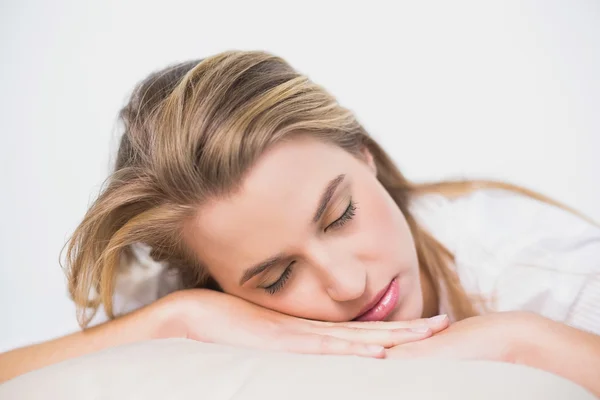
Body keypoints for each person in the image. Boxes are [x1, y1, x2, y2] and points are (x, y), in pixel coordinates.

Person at [1, 50, 599, 396]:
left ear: (364, 154)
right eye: (278, 276)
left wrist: (520, 341)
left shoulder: (531, 262)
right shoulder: (188, 301)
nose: (348, 285)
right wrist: (176, 318)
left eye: (341, 215)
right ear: (212, 282)